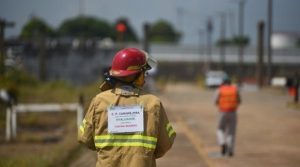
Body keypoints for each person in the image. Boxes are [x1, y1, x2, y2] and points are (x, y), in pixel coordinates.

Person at [78, 48, 176, 167]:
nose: (144, 77)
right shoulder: (153, 103)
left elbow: (85, 138)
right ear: (137, 75)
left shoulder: (99, 101)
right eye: (143, 73)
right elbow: (165, 144)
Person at [214, 77, 241, 157]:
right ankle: (230, 150)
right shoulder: (235, 89)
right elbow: (239, 101)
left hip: (223, 112)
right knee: (231, 131)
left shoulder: (220, 90)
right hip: (233, 112)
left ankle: (222, 143)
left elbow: (215, 101)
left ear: (223, 82)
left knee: (220, 129)